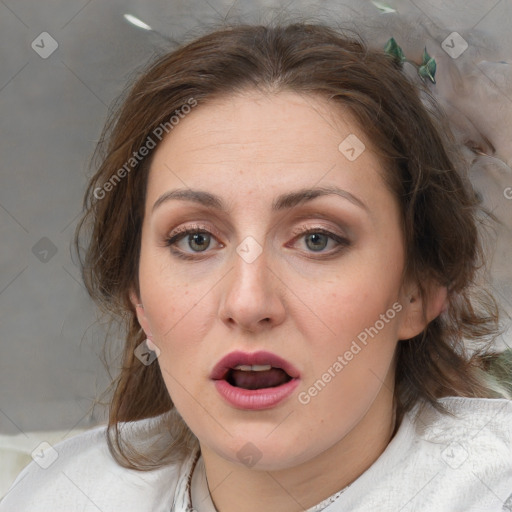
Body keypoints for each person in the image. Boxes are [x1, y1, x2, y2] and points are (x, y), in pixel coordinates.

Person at [1, 21, 511, 512]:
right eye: (195, 240)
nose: (248, 303)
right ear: (139, 299)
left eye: (317, 240)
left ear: (419, 289)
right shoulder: (60, 495)